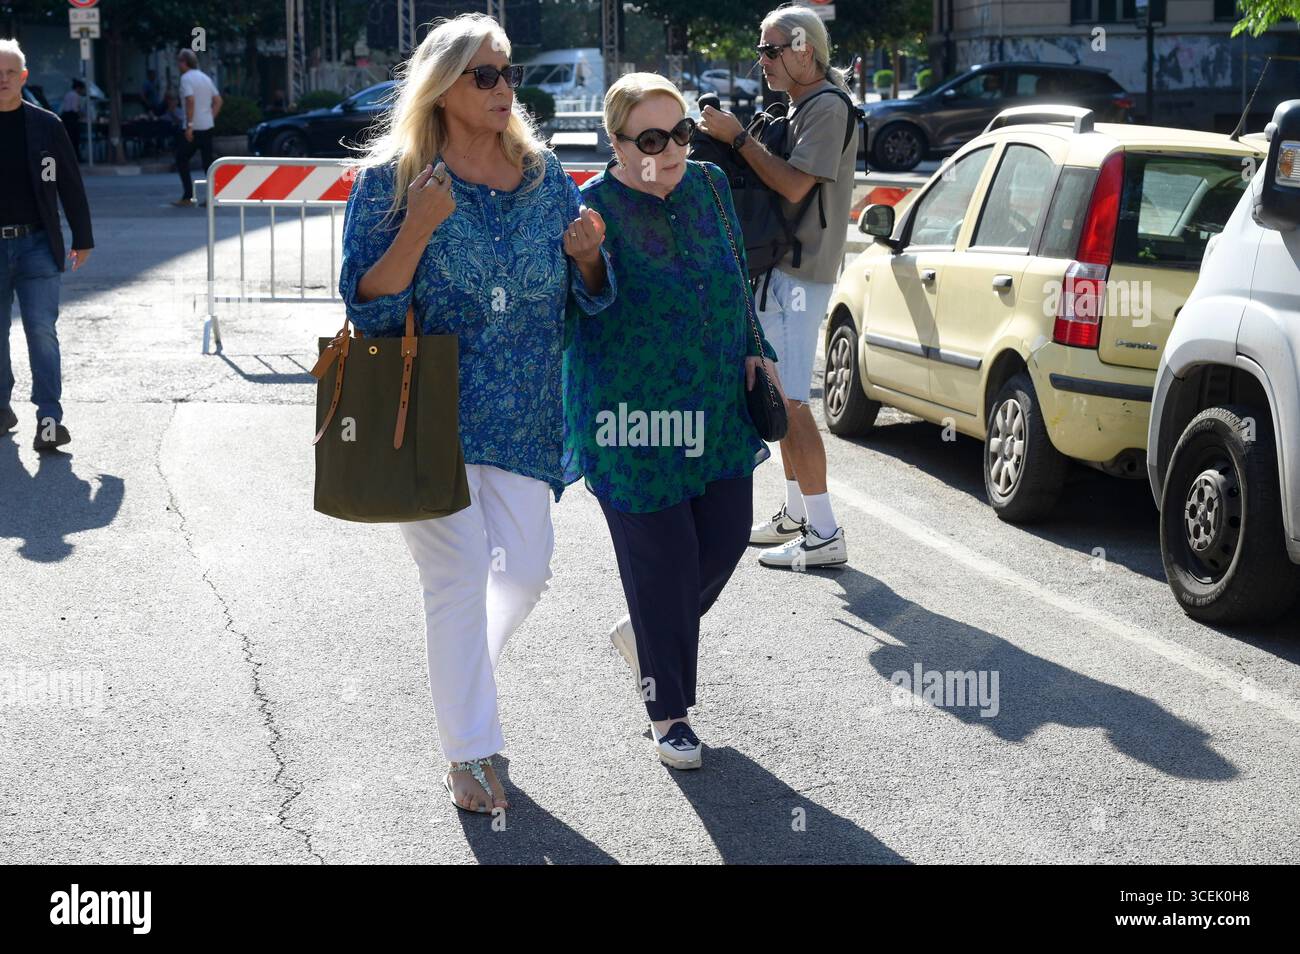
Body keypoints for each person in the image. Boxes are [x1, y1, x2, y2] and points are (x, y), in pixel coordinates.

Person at [339, 13, 614, 813]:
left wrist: (590, 257)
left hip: (524, 408)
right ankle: (471, 751)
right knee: (457, 574)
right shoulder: (394, 181)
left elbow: (586, 296)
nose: (503, 88)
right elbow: (369, 306)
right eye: (484, 75)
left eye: (508, 73)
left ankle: (461, 674)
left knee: (525, 571)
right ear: (443, 87)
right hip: (425, 407)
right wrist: (418, 232)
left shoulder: (544, 175)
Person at [566, 73, 783, 770]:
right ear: (618, 142)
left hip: (718, 407)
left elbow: (734, 285)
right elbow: (586, 306)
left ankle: (645, 635)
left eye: (682, 132)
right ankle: (669, 714)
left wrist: (759, 351)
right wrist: (590, 259)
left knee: (720, 544)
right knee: (664, 565)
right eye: (652, 138)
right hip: (632, 422)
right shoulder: (589, 209)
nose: (672, 148)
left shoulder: (711, 186)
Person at [699, 2, 858, 570]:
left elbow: (792, 187)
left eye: (770, 50)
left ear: (803, 51)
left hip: (797, 272)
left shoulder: (827, 107)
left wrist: (739, 139)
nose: (760, 60)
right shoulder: (803, 104)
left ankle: (824, 531)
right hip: (782, 269)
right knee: (778, 390)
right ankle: (796, 513)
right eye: (761, 50)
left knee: (789, 401)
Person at [0, 39, 93, 451]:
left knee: (41, 331)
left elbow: (70, 183)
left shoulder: (46, 125)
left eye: (9, 73)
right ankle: (1, 409)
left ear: (23, 77)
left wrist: (83, 237)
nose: (1, 80)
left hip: (36, 243)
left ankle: (49, 419)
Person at [172, 49, 222, 207]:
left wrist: (189, 126)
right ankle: (212, 196)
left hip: (193, 128)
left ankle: (188, 195)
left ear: (184, 63)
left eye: (179, 61)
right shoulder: (205, 77)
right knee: (208, 163)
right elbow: (218, 100)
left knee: (181, 158)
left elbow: (190, 100)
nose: (178, 65)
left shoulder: (186, 78)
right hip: (207, 125)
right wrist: (210, 116)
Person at [59, 79, 84, 162]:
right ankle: (77, 157)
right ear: (78, 88)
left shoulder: (68, 94)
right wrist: (81, 115)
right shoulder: (76, 96)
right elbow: (75, 109)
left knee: (69, 138)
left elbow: (63, 107)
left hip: (65, 117)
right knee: (75, 139)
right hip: (72, 118)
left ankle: (68, 157)